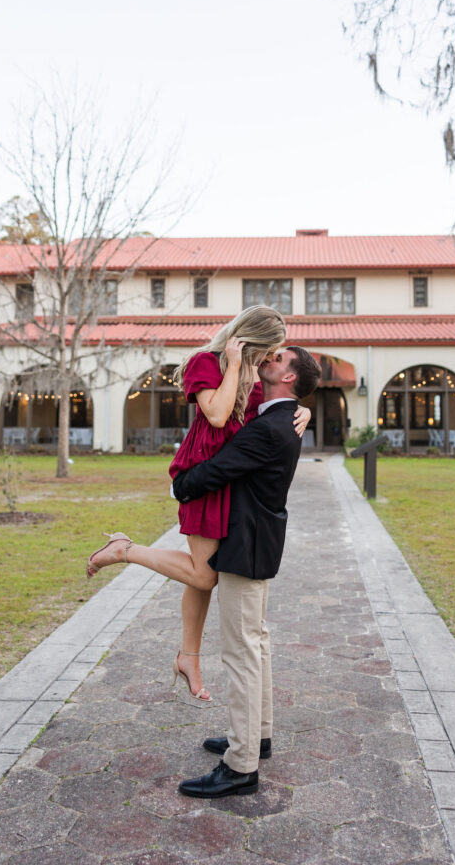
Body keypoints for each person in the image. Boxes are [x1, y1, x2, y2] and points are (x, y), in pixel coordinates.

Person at [85, 306, 310, 702]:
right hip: (202, 476)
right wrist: (235, 364)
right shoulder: (205, 363)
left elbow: (269, 410)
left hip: (229, 479)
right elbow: (219, 415)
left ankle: (189, 657)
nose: (269, 358)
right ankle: (124, 549)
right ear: (251, 340)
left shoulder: (255, 375)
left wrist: (301, 409)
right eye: (268, 349)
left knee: (203, 571)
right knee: (205, 576)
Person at [172, 345, 321, 799]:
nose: (268, 359)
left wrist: (181, 485)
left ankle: (240, 765)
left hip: (244, 545)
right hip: (257, 542)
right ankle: (258, 737)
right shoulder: (283, 417)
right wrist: (305, 409)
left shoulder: (270, 428)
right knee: (256, 643)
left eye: (278, 358)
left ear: (289, 377)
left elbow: (217, 470)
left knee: (241, 654)